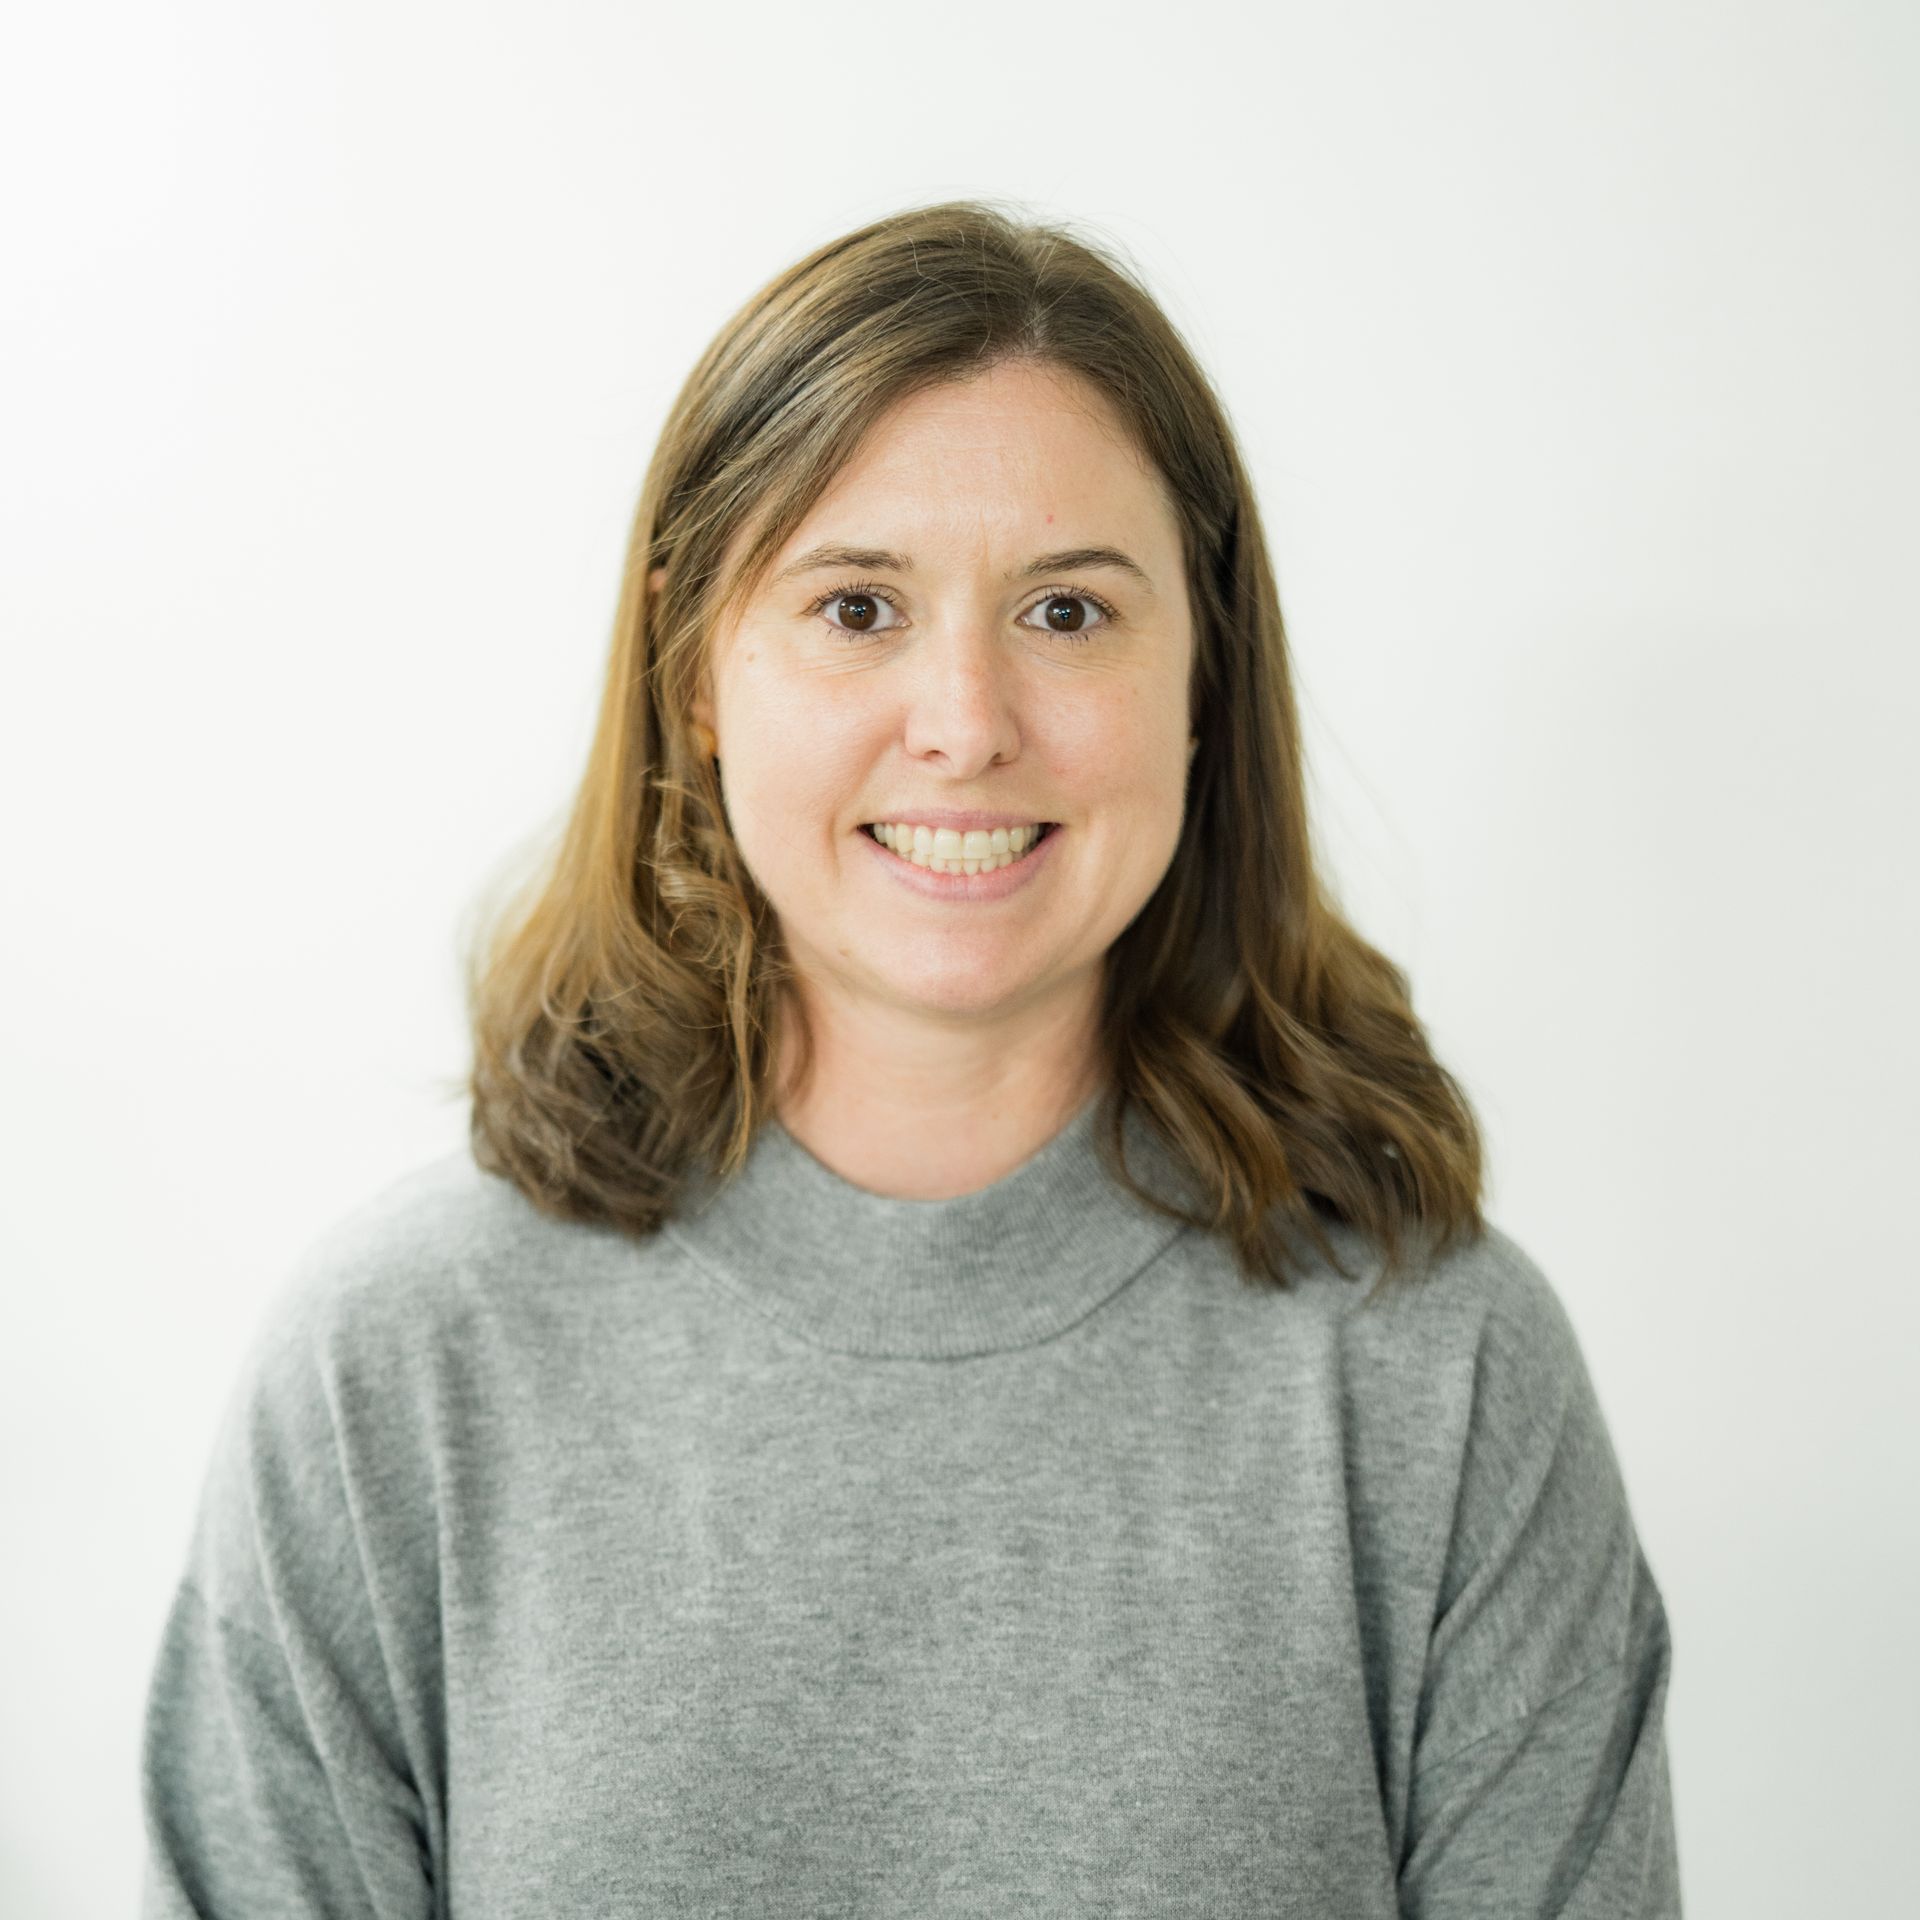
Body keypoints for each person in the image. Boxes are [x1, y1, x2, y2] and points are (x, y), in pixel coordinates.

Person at [138, 201, 1683, 1917]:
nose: (963, 720)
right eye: (858, 606)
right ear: (696, 665)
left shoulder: (1438, 1376)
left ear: (1203, 668)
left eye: (1070, 614)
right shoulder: (399, 1371)